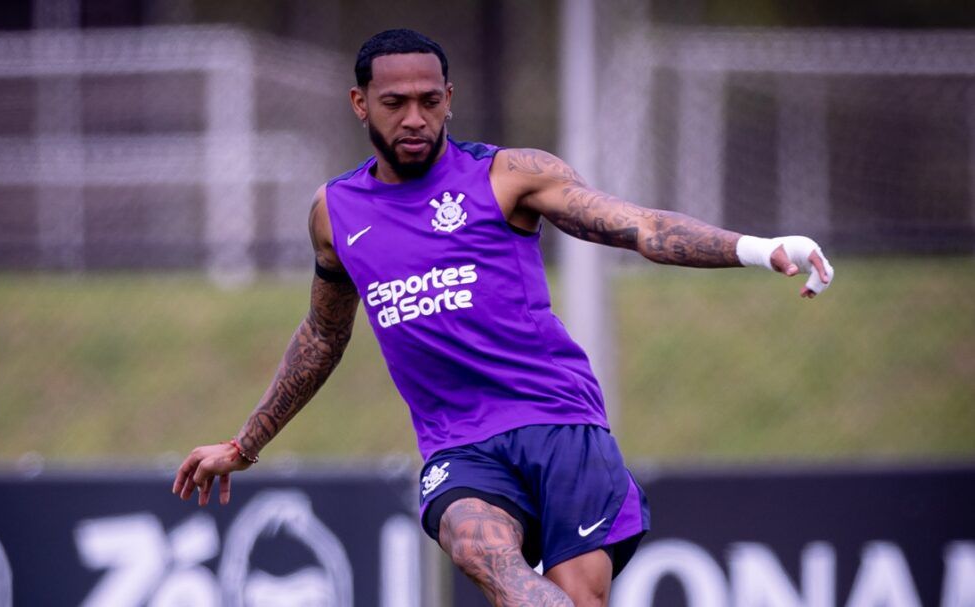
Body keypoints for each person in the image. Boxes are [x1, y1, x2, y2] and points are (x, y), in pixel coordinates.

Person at [172, 28, 834, 607]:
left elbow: (638, 226)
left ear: (449, 98)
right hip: (458, 445)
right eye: (395, 103)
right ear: (360, 103)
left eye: (430, 101)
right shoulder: (335, 213)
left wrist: (758, 248)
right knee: (479, 547)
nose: (414, 118)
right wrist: (244, 444)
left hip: (560, 425)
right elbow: (323, 334)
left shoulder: (507, 176)